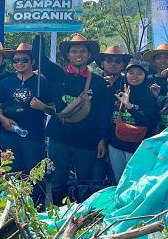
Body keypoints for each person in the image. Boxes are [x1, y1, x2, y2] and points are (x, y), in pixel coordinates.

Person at [40, 34, 106, 204]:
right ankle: (58, 218)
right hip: (59, 137)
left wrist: (102, 139)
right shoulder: (57, 75)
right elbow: (39, 57)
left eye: (83, 51)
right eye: (74, 51)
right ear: (68, 55)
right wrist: (39, 33)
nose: (79, 54)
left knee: (85, 181)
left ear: (89, 55)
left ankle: (81, 218)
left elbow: (102, 113)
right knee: (57, 181)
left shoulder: (98, 82)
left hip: (87, 140)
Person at [0, 43, 57, 203]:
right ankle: (13, 210)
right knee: (11, 173)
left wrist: (42, 107)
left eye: (24, 60)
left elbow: (54, 109)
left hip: (34, 136)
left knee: (34, 174)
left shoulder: (42, 82)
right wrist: (3, 119)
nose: (19, 64)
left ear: (32, 62)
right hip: (9, 135)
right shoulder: (6, 82)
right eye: (15, 61)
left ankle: (36, 208)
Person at [106, 59, 158, 179]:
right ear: (126, 73)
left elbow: (147, 121)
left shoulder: (148, 95)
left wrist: (129, 106)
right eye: (132, 73)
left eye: (140, 73)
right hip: (115, 144)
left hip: (137, 146)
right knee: (118, 180)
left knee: (135, 180)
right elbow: (106, 115)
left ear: (145, 76)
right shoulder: (116, 90)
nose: (135, 76)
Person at [92, 45, 131, 184]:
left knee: (118, 179)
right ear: (102, 63)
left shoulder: (128, 83)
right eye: (109, 60)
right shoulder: (93, 81)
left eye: (118, 61)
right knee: (95, 177)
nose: (113, 64)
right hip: (94, 135)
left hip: (119, 138)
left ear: (123, 65)